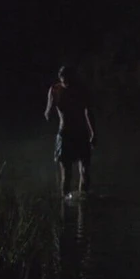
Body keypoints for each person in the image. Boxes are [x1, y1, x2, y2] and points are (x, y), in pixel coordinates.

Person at [44, 65, 96, 198]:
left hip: (81, 132)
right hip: (65, 133)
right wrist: (49, 112)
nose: (67, 84)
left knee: (84, 170)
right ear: (60, 79)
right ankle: (64, 201)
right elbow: (48, 113)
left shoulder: (81, 90)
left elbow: (88, 112)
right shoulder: (55, 90)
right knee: (67, 173)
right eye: (65, 81)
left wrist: (93, 133)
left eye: (70, 81)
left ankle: (84, 200)